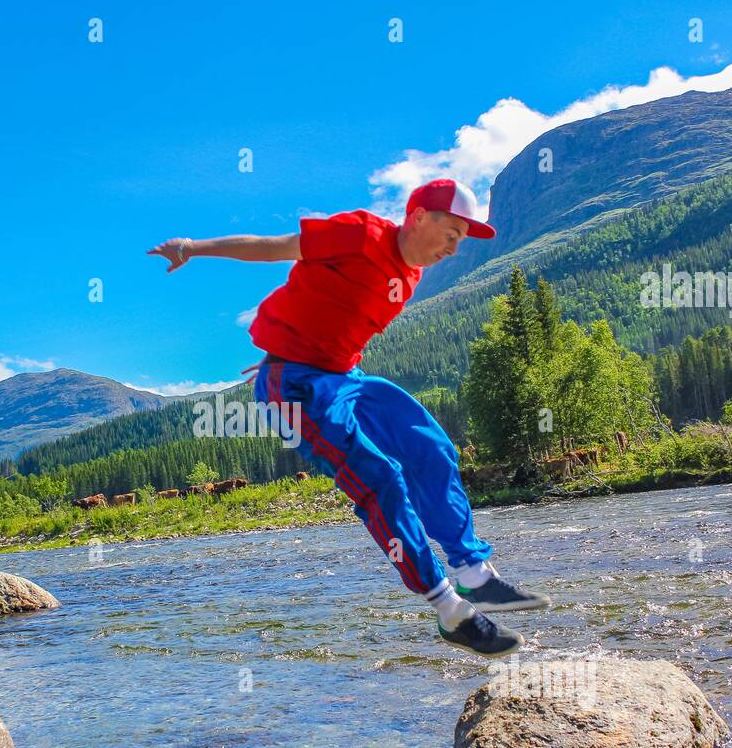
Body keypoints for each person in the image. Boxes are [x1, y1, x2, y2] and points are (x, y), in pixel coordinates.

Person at [148, 179, 550, 656]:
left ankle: (475, 575)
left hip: (345, 377)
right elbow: (275, 249)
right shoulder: (360, 233)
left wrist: (292, 342)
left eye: (462, 239)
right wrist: (193, 248)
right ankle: (450, 611)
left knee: (431, 446)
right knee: (381, 478)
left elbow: (341, 318)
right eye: (452, 232)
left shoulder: (412, 278)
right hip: (298, 387)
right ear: (419, 216)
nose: (455, 246)